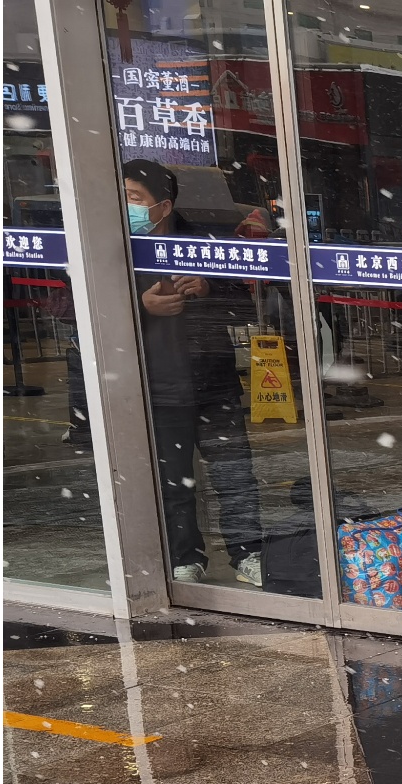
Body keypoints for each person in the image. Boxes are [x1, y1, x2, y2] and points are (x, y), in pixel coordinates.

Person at [124, 159, 267, 586]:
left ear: (163, 206)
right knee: (172, 483)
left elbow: (245, 306)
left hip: (213, 383)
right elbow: (72, 310)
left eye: (133, 199)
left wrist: (209, 288)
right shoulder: (113, 245)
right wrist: (140, 307)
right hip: (156, 385)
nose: (125, 207)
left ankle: (248, 553)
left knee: (235, 475)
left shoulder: (202, 245)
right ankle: (186, 557)